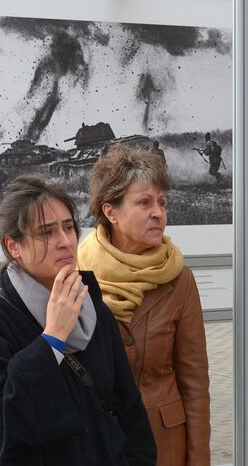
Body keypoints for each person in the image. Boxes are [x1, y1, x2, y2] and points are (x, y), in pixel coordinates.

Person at [0, 175, 156, 466]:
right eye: (47, 232)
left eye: (68, 228)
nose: (65, 242)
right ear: (14, 246)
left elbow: (128, 409)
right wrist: (52, 338)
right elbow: (1, 426)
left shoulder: (93, 309)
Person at [78, 145, 211, 466]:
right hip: (95, 440)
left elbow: (194, 383)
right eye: (144, 202)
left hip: (162, 443)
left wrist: (199, 459)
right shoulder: (75, 273)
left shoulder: (179, 279)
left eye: (162, 203)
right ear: (111, 212)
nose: (158, 213)